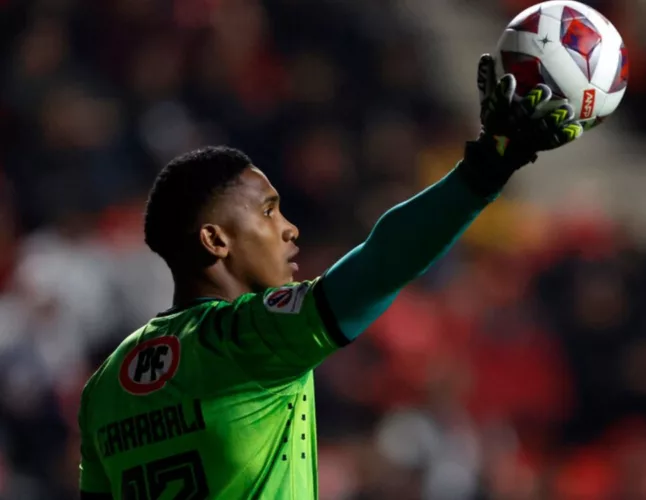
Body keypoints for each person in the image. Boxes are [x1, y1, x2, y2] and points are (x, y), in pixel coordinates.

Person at [78, 55, 584, 500]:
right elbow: (381, 264)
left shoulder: (105, 386)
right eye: (269, 213)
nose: (290, 228)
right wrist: (486, 169)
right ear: (216, 241)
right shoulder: (250, 340)